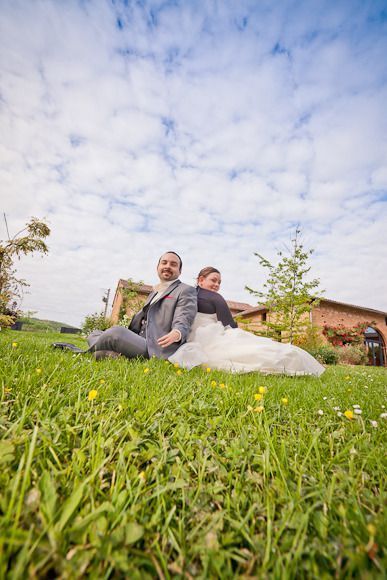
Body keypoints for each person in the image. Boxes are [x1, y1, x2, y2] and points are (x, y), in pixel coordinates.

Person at [169, 267, 325, 376]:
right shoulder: (214, 297)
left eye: (219, 282)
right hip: (211, 337)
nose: (217, 285)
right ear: (201, 280)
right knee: (257, 348)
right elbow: (229, 324)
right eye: (214, 280)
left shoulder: (186, 295)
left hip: (191, 338)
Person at [86, 251, 197, 360]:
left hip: (156, 345)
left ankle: (85, 352)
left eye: (173, 264)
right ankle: (119, 356)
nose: (168, 266)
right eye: (164, 263)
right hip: (140, 339)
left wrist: (177, 332)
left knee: (116, 332)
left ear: (180, 271)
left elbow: (185, 316)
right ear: (158, 267)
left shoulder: (186, 290)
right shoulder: (154, 292)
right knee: (94, 333)